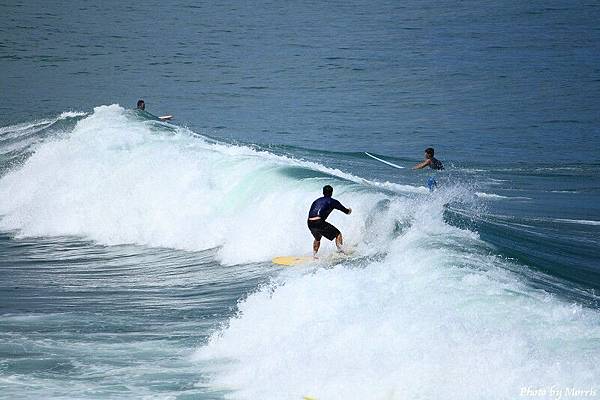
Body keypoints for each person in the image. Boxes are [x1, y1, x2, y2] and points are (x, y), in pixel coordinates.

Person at [307, 185, 352, 256]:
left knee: (317, 238)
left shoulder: (316, 200)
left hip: (310, 222)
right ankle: (341, 253)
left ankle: (314, 255)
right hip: (319, 222)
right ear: (331, 193)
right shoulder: (332, 201)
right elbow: (346, 211)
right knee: (338, 234)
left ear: (323, 192)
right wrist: (349, 210)